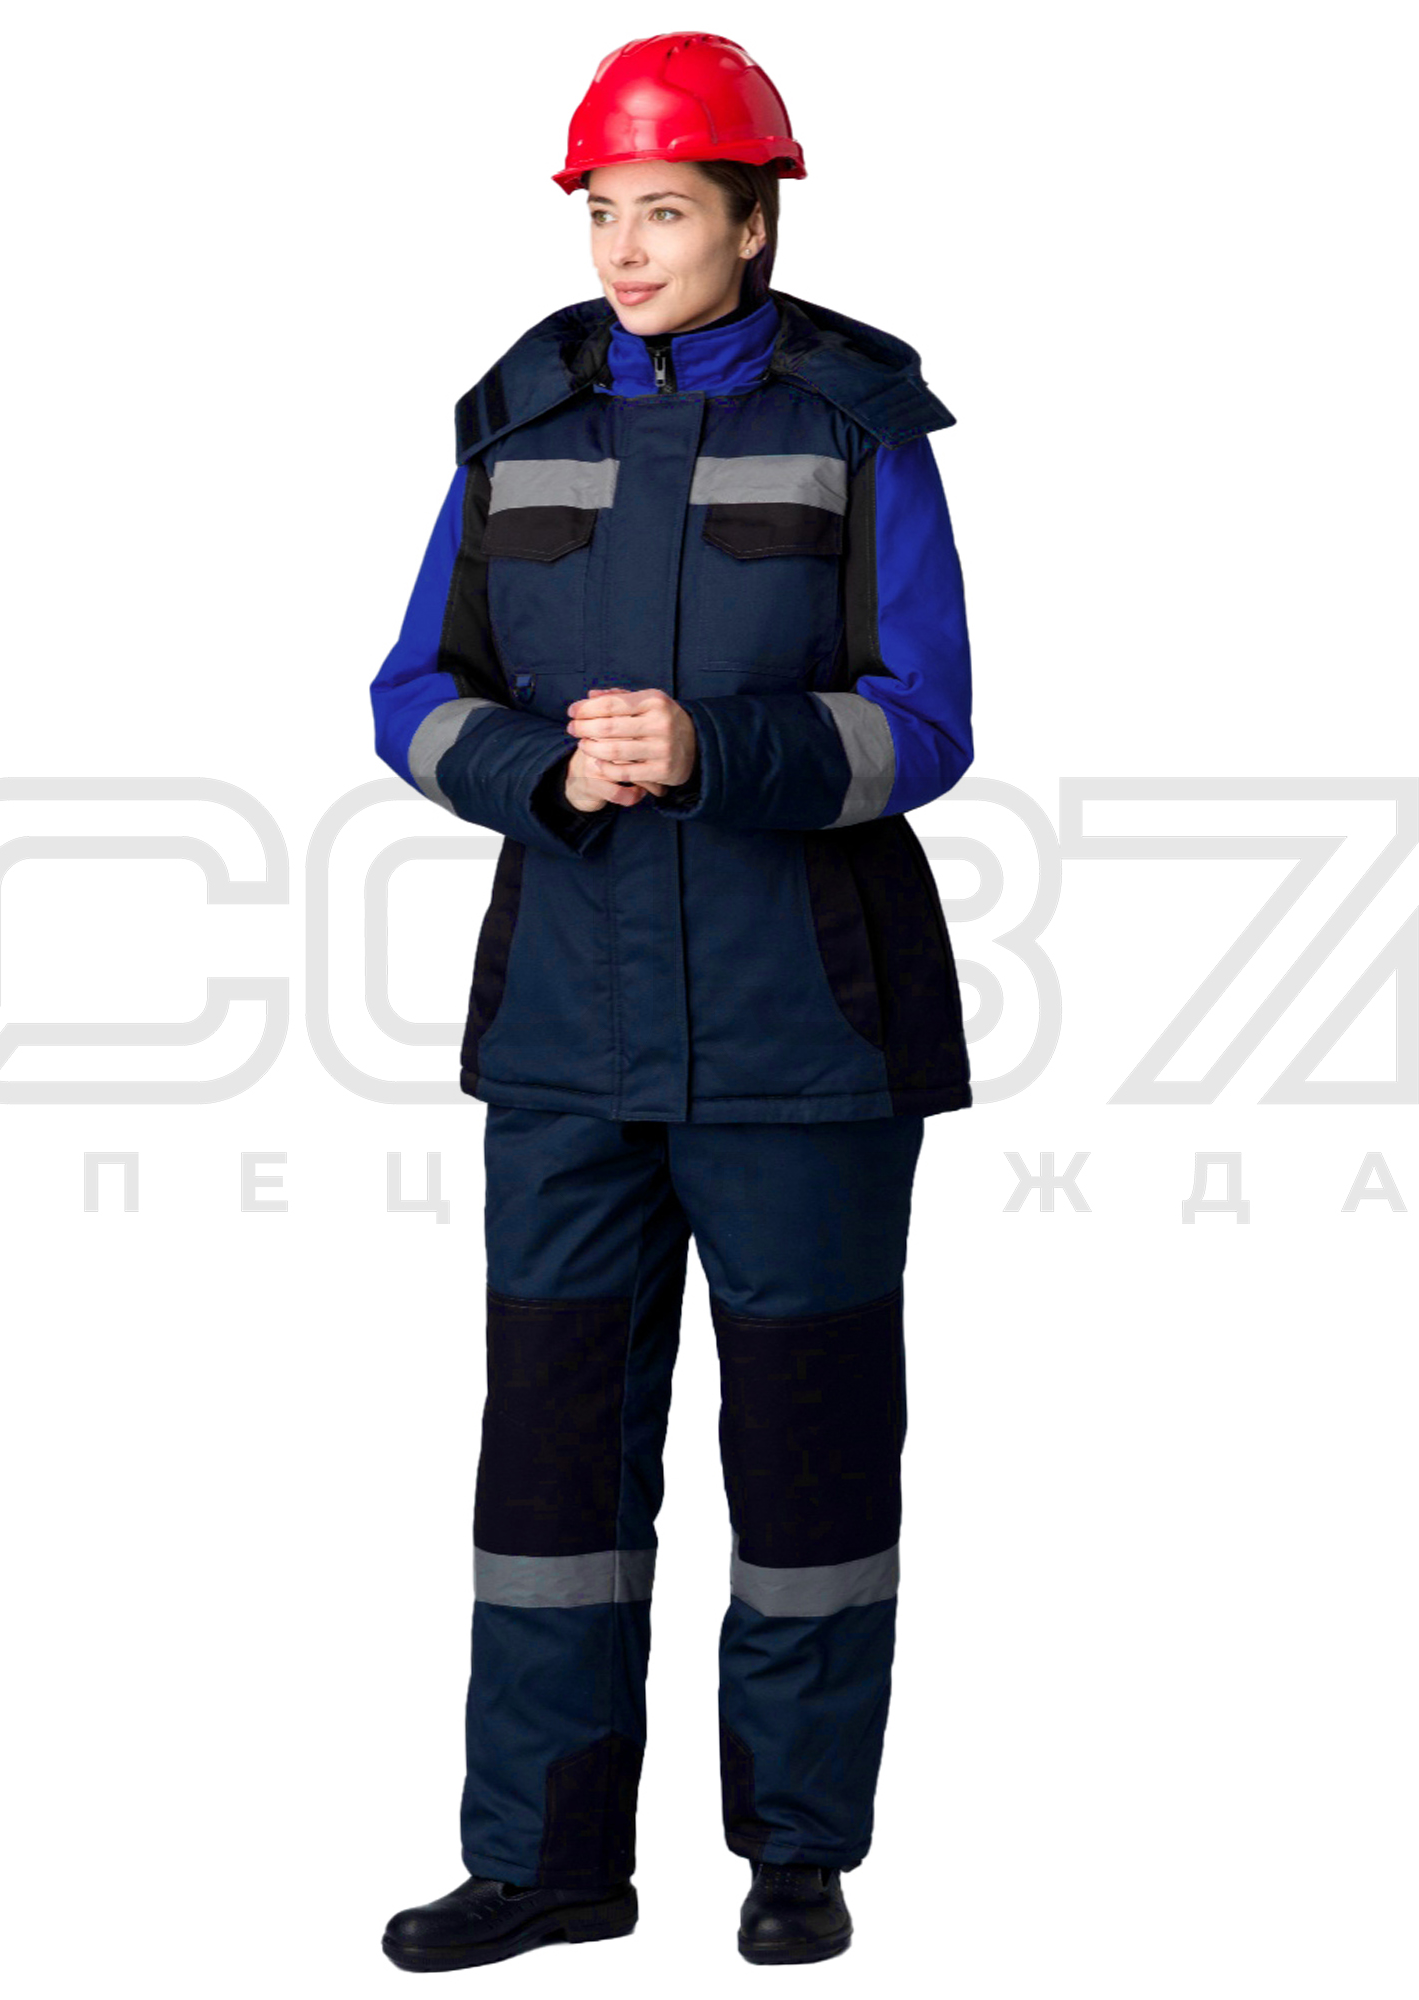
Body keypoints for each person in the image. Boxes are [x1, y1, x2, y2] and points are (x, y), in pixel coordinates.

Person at [370, 31, 974, 1973]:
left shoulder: (857, 423)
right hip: (566, 1033)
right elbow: (414, 694)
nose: (627, 249)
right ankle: (547, 1861)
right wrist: (536, 770)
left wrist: (720, 747)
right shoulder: (518, 423)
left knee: (807, 1465)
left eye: (668, 211)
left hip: (808, 1039)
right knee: (548, 1471)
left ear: (752, 220)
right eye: (605, 212)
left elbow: (926, 722)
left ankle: (797, 1852)